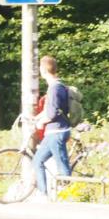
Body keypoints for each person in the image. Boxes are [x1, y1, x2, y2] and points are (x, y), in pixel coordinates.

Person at [31, 55, 71, 201]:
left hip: (57, 131)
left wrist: (41, 122)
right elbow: (52, 109)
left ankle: (70, 194)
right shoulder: (57, 86)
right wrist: (36, 118)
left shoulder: (54, 88)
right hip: (54, 131)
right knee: (37, 161)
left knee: (62, 165)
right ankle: (43, 194)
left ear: (43, 70)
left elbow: (52, 113)